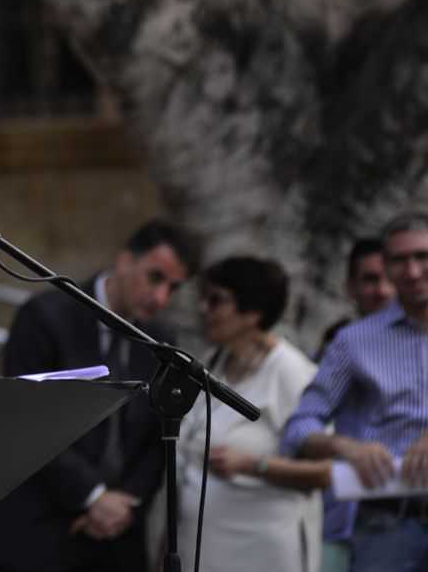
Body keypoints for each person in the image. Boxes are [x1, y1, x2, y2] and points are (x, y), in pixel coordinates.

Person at [0, 220, 198, 572]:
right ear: (125, 260)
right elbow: (26, 421)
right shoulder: (46, 316)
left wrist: (126, 502)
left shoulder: (160, 339)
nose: (161, 298)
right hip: (39, 529)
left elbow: (159, 437)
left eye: (173, 287)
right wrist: (93, 496)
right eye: (155, 277)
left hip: (119, 537)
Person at [281, 211, 428, 572]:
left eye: (422, 256)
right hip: (388, 525)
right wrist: (347, 447)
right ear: (387, 267)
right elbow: (298, 429)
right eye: (399, 260)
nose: (412, 271)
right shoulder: (353, 342)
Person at [177, 256, 324, 572]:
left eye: (216, 300)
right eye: (204, 298)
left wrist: (252, 465)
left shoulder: (292, 373)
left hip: (261, 552)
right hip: (200, 548)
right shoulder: (213, 362)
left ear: (253, 311)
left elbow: (326, 471)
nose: (203, 309)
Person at [314, 237, 396, 572]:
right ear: (350, 287)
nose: (383, 290)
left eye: (390, 278)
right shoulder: (334, 351)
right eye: (371, 279)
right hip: (336, 522)